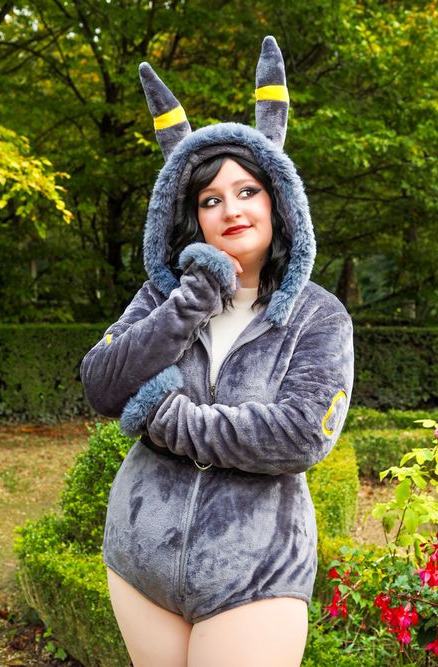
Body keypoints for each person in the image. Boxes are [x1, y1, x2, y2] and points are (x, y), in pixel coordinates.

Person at [80, 36, 354, 667]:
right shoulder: (162, 296)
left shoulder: (319, 316)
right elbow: (101, 382)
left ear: (279, 199)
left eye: (247, 191)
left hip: (254, 572)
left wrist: (166, 417)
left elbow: (297, 436)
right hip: (139, 557)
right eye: (210, 199)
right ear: (192, 216)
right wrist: (190, 302)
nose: (231, 209)